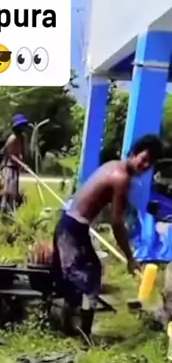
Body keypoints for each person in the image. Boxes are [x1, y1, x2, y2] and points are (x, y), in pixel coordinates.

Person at [52, 133, 164, 336]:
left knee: (86, 274)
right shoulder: (122, 178)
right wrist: (130, 258)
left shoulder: (114, 166)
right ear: (134, 153)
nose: (145, 166)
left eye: (149, 164)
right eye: (144, 159)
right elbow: (116, 223)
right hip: (72, 231)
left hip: (70, 225)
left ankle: (72, 327)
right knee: (86, 278)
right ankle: (81, 332)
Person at [2, 113, 29, 213]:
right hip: (9, 167)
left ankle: (11, 210)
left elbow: (22, 152)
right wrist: (21, 164)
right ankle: (5, 210)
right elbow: (10, 155)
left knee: (14, 191)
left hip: (16, 167)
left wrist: (23, 162)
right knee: (9, 191)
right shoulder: (12, 139)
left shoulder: (23, 137)